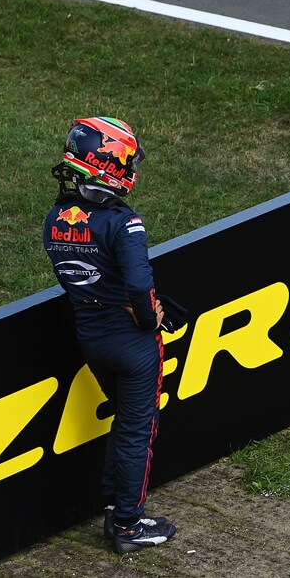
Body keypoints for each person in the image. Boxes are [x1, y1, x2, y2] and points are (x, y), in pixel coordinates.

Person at [43, 117, 179, 554]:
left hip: (92, 341)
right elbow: (140, 286)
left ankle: (114, 508)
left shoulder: (55, 219)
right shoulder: (125, 223)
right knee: (138, 430)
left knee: (124, 424)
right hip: (133, 344)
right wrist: (146, 318)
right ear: (108, 165)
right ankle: (127, 525)